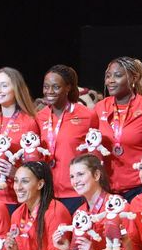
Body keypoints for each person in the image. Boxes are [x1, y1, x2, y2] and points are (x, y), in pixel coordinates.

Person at [37, 65, 99, 214]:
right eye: (46, 87)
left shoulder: (87, 115)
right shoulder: (39, 117)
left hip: (77, 193)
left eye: (56, 87)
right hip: (48, 192)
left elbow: (95, 156)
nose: (49, 91)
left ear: (68, 87)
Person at [0, 67, 41, 213]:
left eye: (4, 85)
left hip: (14, 198)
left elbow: (35, 166)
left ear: (16, 88)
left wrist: (16, 172)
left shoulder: (28, 121)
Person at [94, 57, 142, 201]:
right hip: (107, 189)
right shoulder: (100, 108)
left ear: (134, 78)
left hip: (139, 188)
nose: (110, 80)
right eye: (108, 76)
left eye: (118, 75)